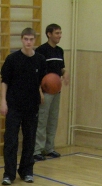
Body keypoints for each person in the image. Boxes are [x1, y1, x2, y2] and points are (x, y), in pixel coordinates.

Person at [0, 28, 46, 186]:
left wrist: (41, 92)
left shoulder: (40, 59)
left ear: (35, 40)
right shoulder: (12, 59)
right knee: (11, 140)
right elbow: (4, 81)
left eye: (31, 39)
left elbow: (41, 81)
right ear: (21, 39)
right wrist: (3, 101)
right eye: (26, 39)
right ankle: (9, 174)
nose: (28, 42)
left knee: (30, 140)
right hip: (14, 105)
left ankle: (27, 171)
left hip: (32, 106)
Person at [33, 24, 68, 162]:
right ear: (49, 34)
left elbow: (61, 68)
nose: (59, 36)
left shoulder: (60, 51)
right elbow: (36, 73)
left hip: (56, 91)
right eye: (57, 33)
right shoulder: (41, 51)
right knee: (42, 120)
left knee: (53, 120)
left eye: (60, 33)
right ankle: (37, 150)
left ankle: (49, 148)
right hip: (45, 91)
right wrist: (39, 92)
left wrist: (65, 73)